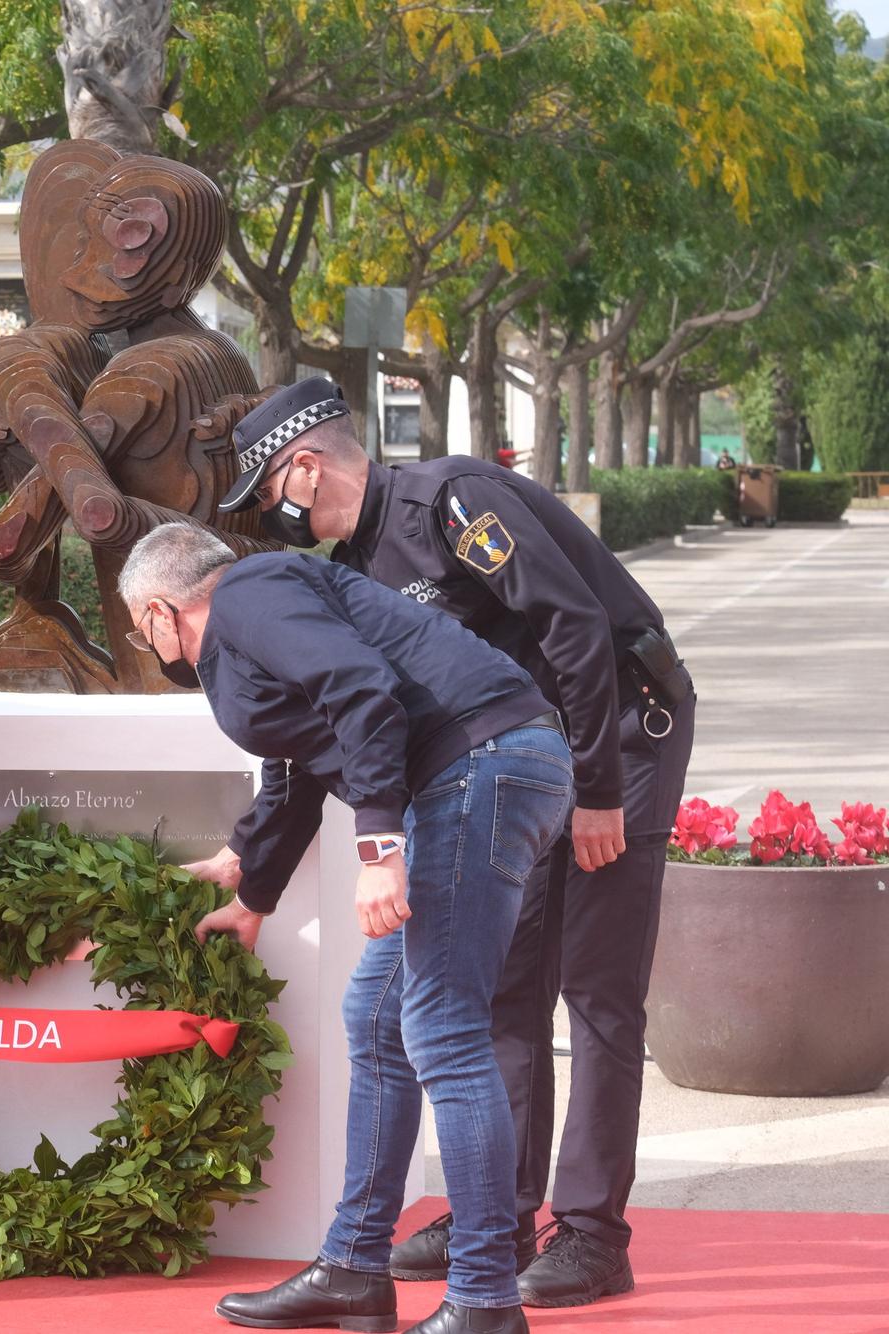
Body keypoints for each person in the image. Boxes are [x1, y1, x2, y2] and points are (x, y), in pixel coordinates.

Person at [216, 379, 696, 1309]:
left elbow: (577, 624)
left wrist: (600, 792)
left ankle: (593, 1233)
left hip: (618, 731)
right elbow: (330, 725)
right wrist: (254, 872)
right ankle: (500, 1217)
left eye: (269, 487)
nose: (269, 513)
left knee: (596, 985)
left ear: (306, 467)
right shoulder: (352, 564)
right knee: (503, 981)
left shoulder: (452, 502)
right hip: (522, 758)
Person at [119, 522, 573, 1334]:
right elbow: (297, 771)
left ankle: (483, 1301)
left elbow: (361, 690)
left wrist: (379, 850)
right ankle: (355, 1270)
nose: (143, 641)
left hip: (480, 766)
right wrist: (252, 893)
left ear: (159, 611)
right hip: (488, 768)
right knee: (377, 1016)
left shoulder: (248, 595)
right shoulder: (258, 626)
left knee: (443, 1028)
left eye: (137, 627)